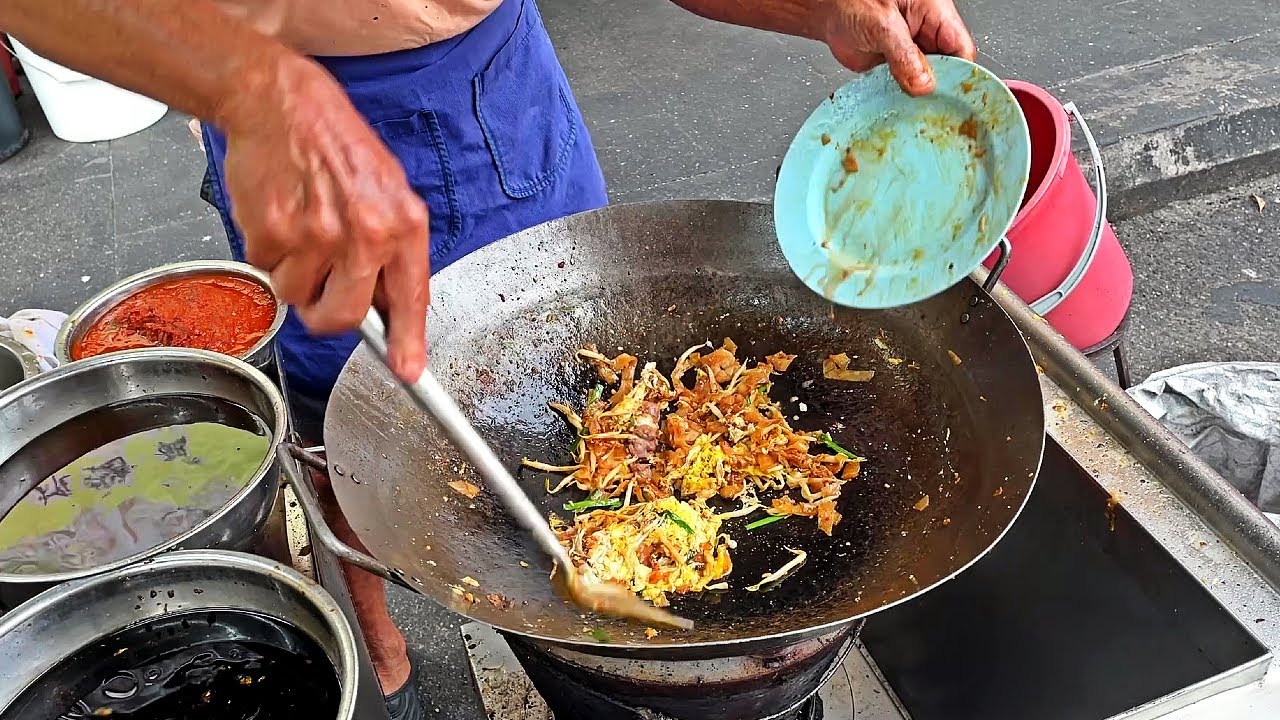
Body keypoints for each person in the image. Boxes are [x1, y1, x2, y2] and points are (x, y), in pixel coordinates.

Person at [0, 1, 975, 717]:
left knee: (572, 403)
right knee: (347, 423)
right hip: (258, 106)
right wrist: (255, 88)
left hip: (487, 102)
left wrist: (814, 6)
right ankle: (376, 653)